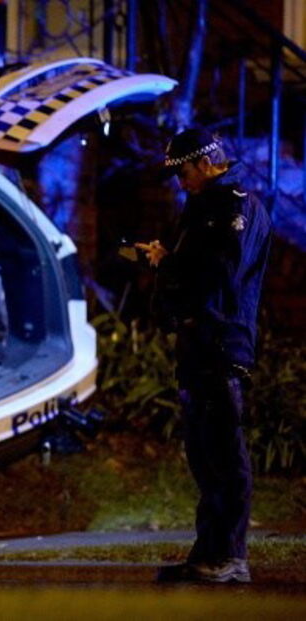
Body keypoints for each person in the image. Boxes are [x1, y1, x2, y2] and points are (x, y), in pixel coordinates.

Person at [137, 128, 271, 584]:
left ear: (204, 163)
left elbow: (220, 274)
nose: (180, 182)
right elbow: (200, 270)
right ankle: (209, 553)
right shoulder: (207, 208)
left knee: (223, 454)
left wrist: (166, 263)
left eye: (183, 171)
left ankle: (229, 556)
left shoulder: (234, 206)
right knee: (205, 455)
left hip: (219, 343)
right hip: (199, 344)